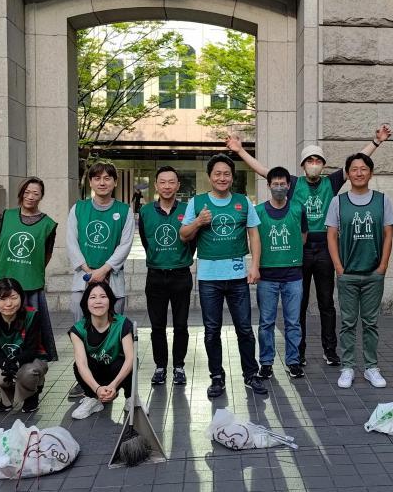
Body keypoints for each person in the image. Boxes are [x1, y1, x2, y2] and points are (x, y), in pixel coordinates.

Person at [227, 125, 392, 367]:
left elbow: (356, 165)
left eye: (318, 160)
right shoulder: (292, 184)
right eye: (310, 160)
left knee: (327, 302)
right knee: (299, 304)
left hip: (325, 248)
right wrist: (240, 151)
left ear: (323, 164)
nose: (314, 163)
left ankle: (330, 349)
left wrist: (376, 142)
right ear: (303, 164)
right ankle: (299, 351)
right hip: (300, 249)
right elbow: (266, 172)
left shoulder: (332, 182)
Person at [179, 154, 267, 398]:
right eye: (217, 173)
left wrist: (255, 266)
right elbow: (183, 235)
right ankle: (216, 377)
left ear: (232, 176)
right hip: (209, 278)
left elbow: (254, 236)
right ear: (210, 177)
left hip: (238, 276)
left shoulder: (243, 202)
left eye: (226, 173)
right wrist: (198, 221)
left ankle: (251, 374)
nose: (222, 178)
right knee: (211, 331)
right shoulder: (197, 203)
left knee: (245, 330)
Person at [65, 161, 134, 397]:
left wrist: (104, 269)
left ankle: (116, 379)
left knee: (114, 327)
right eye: (97, 178)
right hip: (82, 277)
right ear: (91, 182)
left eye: (107, 178)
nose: (102, 182)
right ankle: (85, 380)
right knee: (82, 328)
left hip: (112, 277)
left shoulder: (124, 211)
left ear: (114, 182)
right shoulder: (79, 208)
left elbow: (125, 245)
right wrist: (87, 270)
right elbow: (71, 241)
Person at [325, 153, 393, 389]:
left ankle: (371, 367)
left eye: (364, 169)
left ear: (371, 173)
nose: (359, 173)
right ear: (348, 173)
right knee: (348, 322)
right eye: (354, 169)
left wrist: (383, 266)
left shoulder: (382, 200)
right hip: (348, 273)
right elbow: (331, 235)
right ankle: (347, 367)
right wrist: (338, 267)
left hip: (373, 273)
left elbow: (388, 234)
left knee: (371, 322)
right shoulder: (338, 201)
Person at [138, 166, 196, 386]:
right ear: (156, 185)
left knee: (181, 325)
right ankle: (160, 366)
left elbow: (193, 241)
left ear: (178, 185)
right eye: (163, 182)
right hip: (155, 276)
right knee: (157, 326)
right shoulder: (145, 211)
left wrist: (181, 259)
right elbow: (145, 240)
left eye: (172, 182)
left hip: (181, 275)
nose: (167, 186)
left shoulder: (187, 209)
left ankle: (179, 366)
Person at [0, 177, 59, 362]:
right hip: (3, 281)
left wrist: (28, 269)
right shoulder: (6, 216)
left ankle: (31, 367)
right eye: (27, 192)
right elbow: (0, 244)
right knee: (0, 327)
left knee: (31, 330)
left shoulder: (48, 224)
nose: (30, 196)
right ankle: (1, 362)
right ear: (21, 193)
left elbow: (46, 254)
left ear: (41, 196)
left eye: (35, 193)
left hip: (30, 284)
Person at [255, 167, 308, 380]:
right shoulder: (258, 211)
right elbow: (254, 240)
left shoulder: (298, 208)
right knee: (266, 322)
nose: (279, 187)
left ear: (288, 186)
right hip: (267, 276)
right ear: (268, 186)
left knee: (293, 322)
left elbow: (303, 236)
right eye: (274, 184)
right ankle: (266, 363)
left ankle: (293, 361)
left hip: (293, 275)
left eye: (282, 184)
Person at [68, 282, 134, 419]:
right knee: (79, 365)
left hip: (116, 374)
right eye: (92, 297)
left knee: (128, 362)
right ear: (86, 303)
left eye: (103, 296)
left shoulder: (122, 324)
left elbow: (130, 358)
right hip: (96, 376)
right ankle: (93, 398)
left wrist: (113, 386)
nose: (98, 301)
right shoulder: (78, 330)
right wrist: (97, 389)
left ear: (110, 301)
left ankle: (131, 398)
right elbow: (81, 364)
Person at [0, 278, 49, 413]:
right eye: (2, 299)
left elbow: (32, 349)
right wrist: (5, 364)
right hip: (5, 360)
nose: (8, 304)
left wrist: (16, 362)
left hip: (30, 360)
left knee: (27, 373)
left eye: (13, 297)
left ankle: (32, 394)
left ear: (21, 297)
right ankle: (7, 398)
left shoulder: (32, 315)